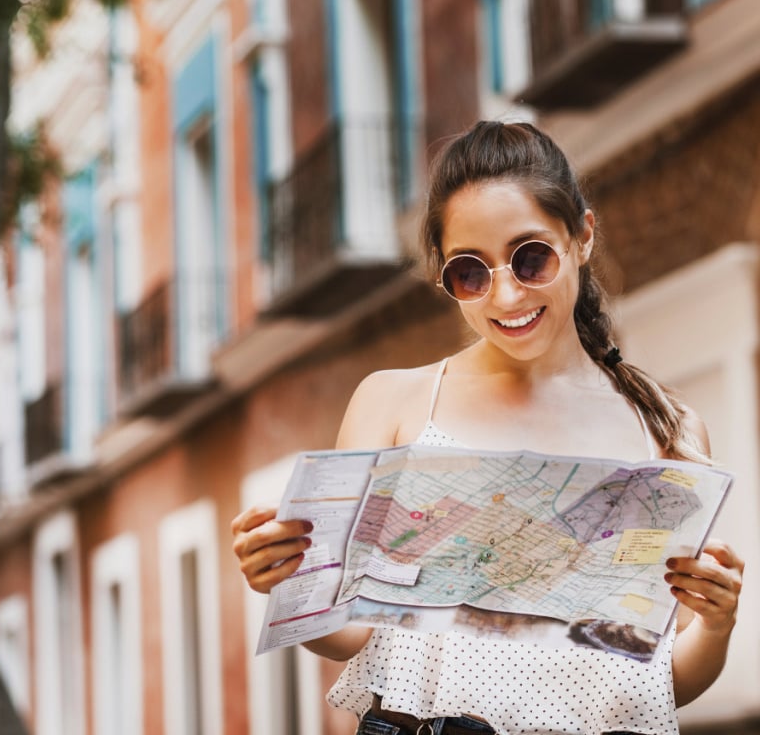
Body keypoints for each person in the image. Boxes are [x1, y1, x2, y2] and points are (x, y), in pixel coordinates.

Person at [231, 121, 744, 735]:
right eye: (470, 272)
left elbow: (662, 681)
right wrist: (289, 586)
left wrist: (716, 624)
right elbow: (351, 636)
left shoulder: (667, 429)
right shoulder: (394, 402)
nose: (505, 296)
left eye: (531, 258)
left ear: (581, 236)